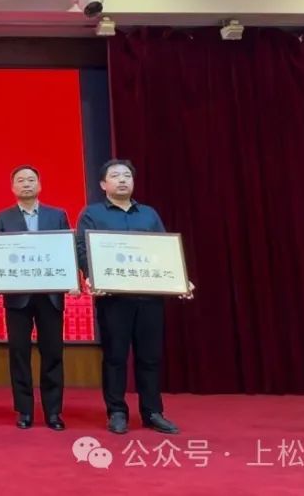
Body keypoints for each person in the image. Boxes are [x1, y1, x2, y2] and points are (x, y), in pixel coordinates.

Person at [75, 159, 191, 435]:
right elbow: (82, 248)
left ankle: (153, 412)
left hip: (149, 297)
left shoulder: (149, 214)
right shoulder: (92, 214)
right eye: (115, 176)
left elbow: (164, 249)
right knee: (115, 357)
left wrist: (179, 278)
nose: (122, 180)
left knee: (150, 357)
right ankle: (117, 411)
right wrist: (91, 276)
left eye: (127, 175)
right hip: (113, 298)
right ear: (103, 184)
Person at [0, 165, 72, 431]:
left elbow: (66, 252)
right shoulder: (2, 218)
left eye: (31, 180)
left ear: (39, 185)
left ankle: (53, 412)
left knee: (53, 353)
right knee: (19, 354)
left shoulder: (57, 216)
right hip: (18, 297)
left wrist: (72, 280)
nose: (26, 184)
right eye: (20, 180)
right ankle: (24, 410)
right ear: (13, 187)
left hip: (51, 296)